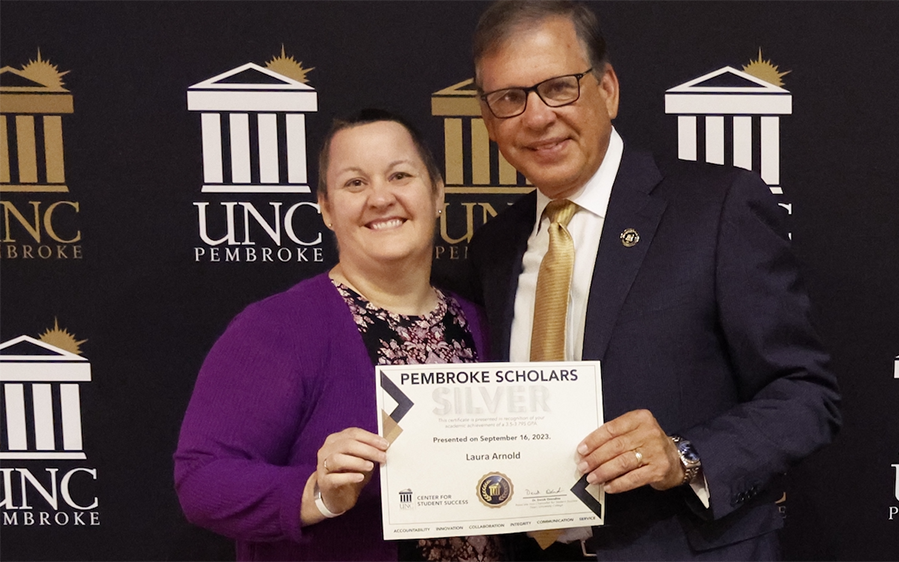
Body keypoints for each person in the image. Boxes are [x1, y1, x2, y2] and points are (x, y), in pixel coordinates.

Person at [467, 1, 842, 560]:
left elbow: (806, 394)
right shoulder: (495, 247)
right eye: (509, 99)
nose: (537, 116)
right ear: (490, 121)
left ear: (608, 89)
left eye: (558, 87)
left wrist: (684, 455)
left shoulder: (716, 209)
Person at [175, 109, 505, 562]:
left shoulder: (485, 324)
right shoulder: (278, 328)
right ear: (327, 209)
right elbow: (201, 480)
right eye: (355, 183)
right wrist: (317, 492)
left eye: (400, 175)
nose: (380, 197)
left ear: (437, 193)